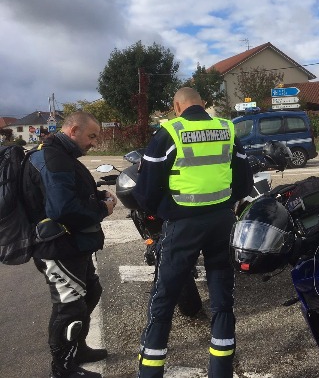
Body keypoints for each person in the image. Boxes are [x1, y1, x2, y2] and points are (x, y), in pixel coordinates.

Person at [133, 87, 253, 378]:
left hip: (183, 225)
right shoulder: (227, 129)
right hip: (222, 221)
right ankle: (221, 372)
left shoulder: (169, 133)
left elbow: (146, 193)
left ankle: (149, 373)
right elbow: (244, 183)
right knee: (222, 301)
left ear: (177, 106)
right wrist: (222, 202)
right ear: (202, 103)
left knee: (163, 300)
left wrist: (168, 210)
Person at [22, 111, 116, 378]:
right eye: (92, 136)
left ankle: (78, 348)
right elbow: (63, 208)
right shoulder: (53, 158)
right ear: (73, 131)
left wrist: (97, 194)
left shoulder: (61, 155)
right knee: (69, 307)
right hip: (56, 247)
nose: (94, 143)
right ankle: (62, 369)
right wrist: (102, 208)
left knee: (91, 292)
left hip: (72, 244)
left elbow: (68, 193)